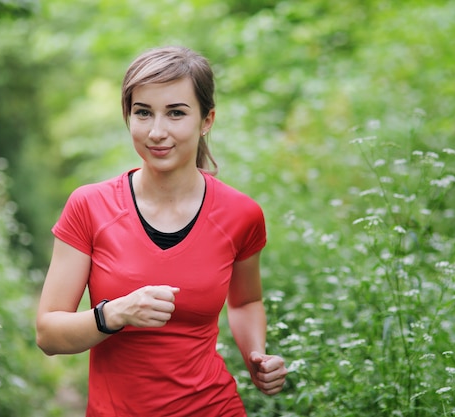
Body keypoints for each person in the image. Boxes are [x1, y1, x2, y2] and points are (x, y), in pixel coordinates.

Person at [36, 45, 288, 416]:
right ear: (128, 117)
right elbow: (48, 334)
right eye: (143, 113)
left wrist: (256, 355)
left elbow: (246, 300)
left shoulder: (241, 214)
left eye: (175, 113)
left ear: (206, 120)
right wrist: (114, 314)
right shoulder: (89, 207)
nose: (156, 131)